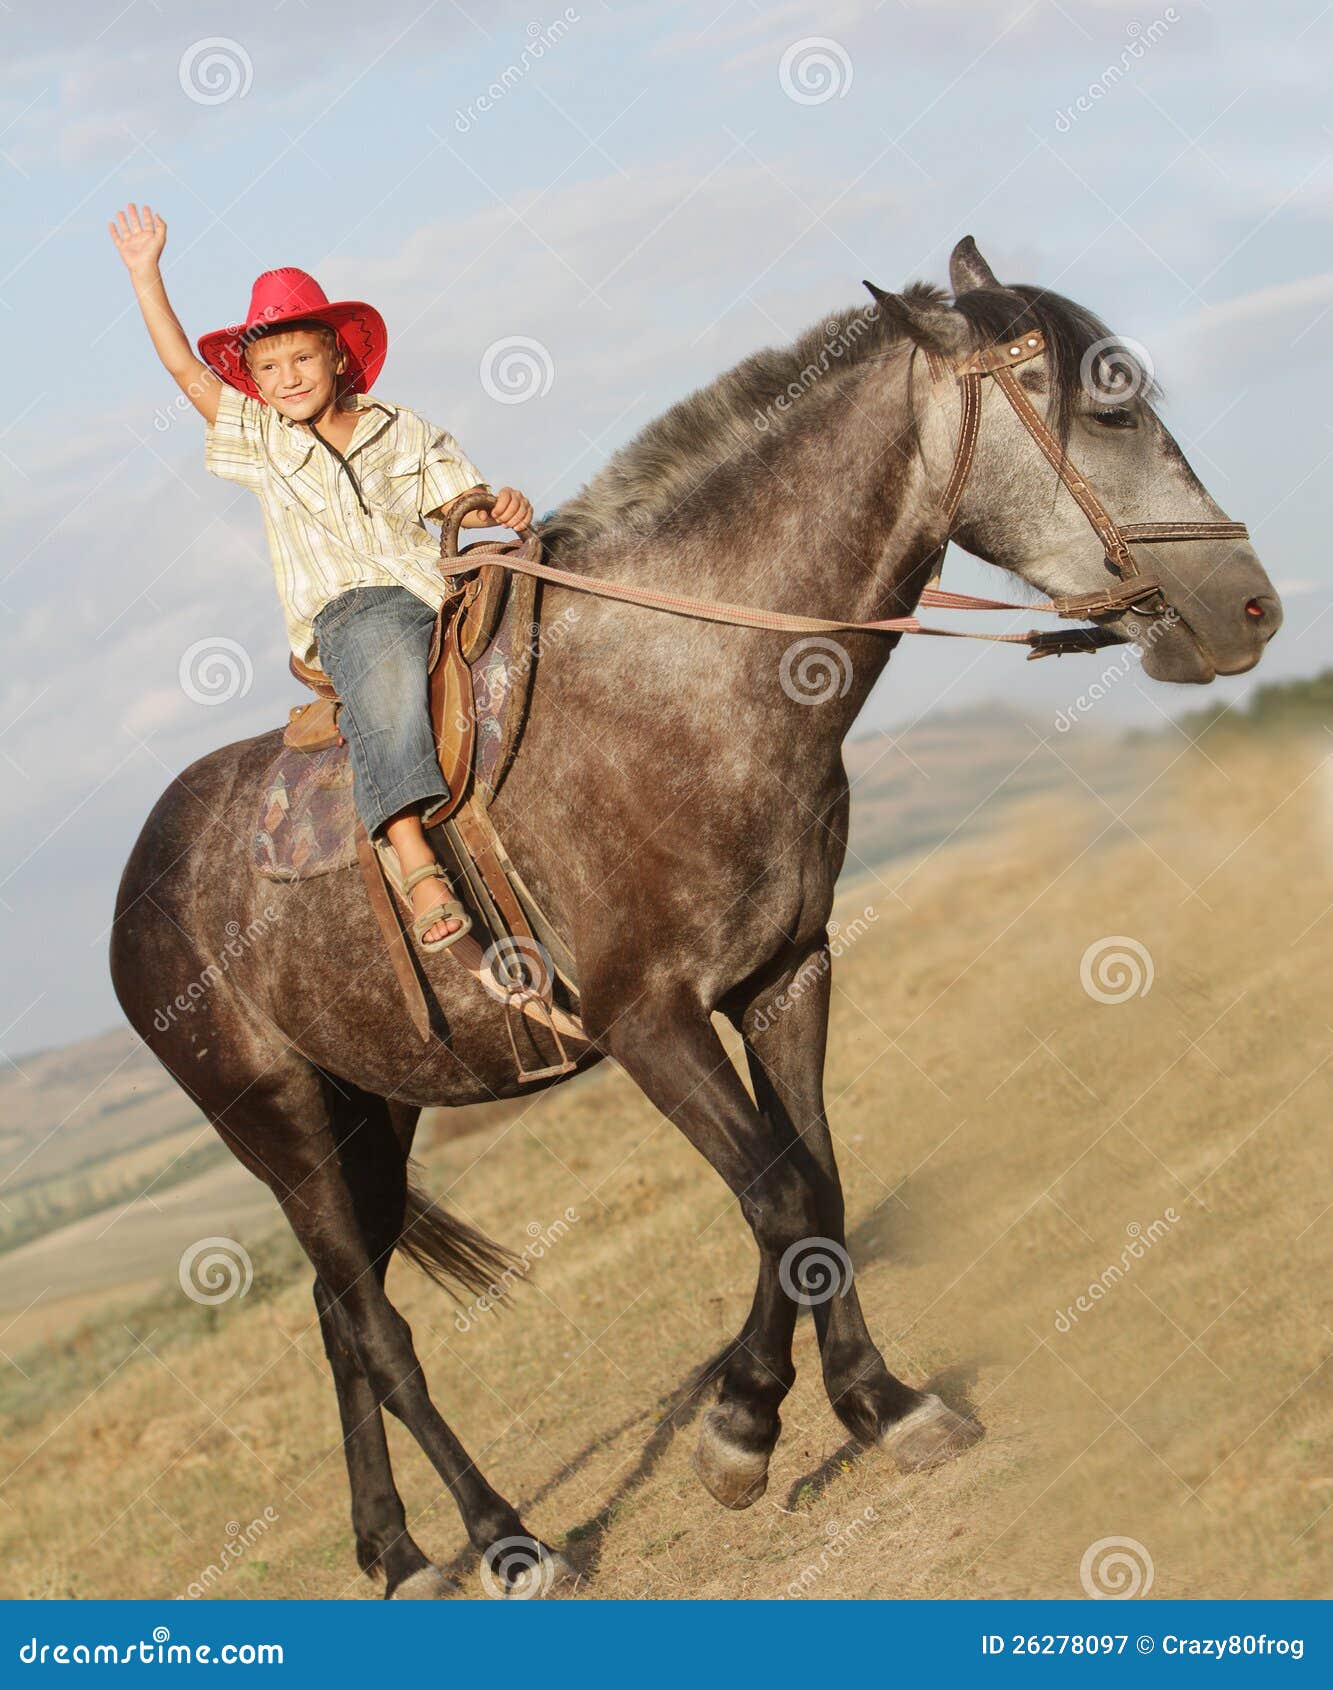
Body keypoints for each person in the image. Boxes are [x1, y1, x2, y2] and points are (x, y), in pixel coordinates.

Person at [110, 202, 533, 951]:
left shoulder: (399, 427)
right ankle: (414, 860)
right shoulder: (260, 440)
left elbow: (455, 501)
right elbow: (182, 367)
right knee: (386, 673)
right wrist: (147, 274)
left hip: (439, 587)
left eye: (301, 359)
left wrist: (496, 505)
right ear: (253, 382)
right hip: (351, 610)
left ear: (338, 356)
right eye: (267, 368)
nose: (286, 377)